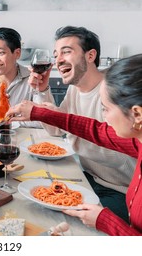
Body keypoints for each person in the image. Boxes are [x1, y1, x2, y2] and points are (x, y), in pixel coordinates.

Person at [6, 53, 142, 236]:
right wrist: (38, 113)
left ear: (137, 115)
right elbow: (96, 131)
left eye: (106, 109)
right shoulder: (138, 142)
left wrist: (104, 220)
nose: (104, 118)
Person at [29, 26, 136, 222]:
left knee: (63, 223)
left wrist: (66, 124)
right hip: (90, 178)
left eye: (66, 51)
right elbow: (55, 131)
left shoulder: (112, 91)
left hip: (121, 191)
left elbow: (115, 153)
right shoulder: (74, 90)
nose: (58, 59)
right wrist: (42, 90)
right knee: (36, 198)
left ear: (90, 55)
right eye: (56, 54)